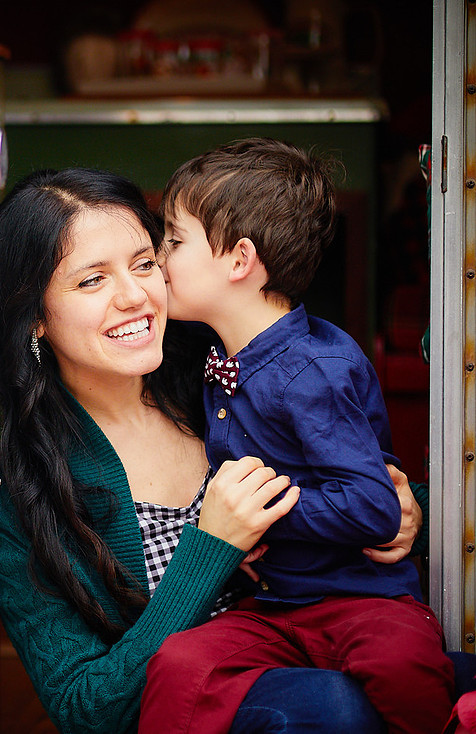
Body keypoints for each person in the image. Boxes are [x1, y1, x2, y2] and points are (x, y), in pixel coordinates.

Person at [0, 166, 426, 734]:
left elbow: (353, 479)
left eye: (145, 263)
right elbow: (85, 709)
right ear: (36, 317)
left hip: (328, 642)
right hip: (205, 707)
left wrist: (407, 508)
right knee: (328, 706)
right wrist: (212, 547)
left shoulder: (224, 376)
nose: (134, 296)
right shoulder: (25, 489)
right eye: (91, 280)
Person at [138, 138, 453, 734]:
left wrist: (260, 517)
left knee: (405, 664)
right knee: (181, 663)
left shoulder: (310, 373)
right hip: (278, 607)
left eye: (174, 241)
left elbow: (373, 507)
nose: (159, 257)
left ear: (239, 260)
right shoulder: (223, 360)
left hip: (363, 602)